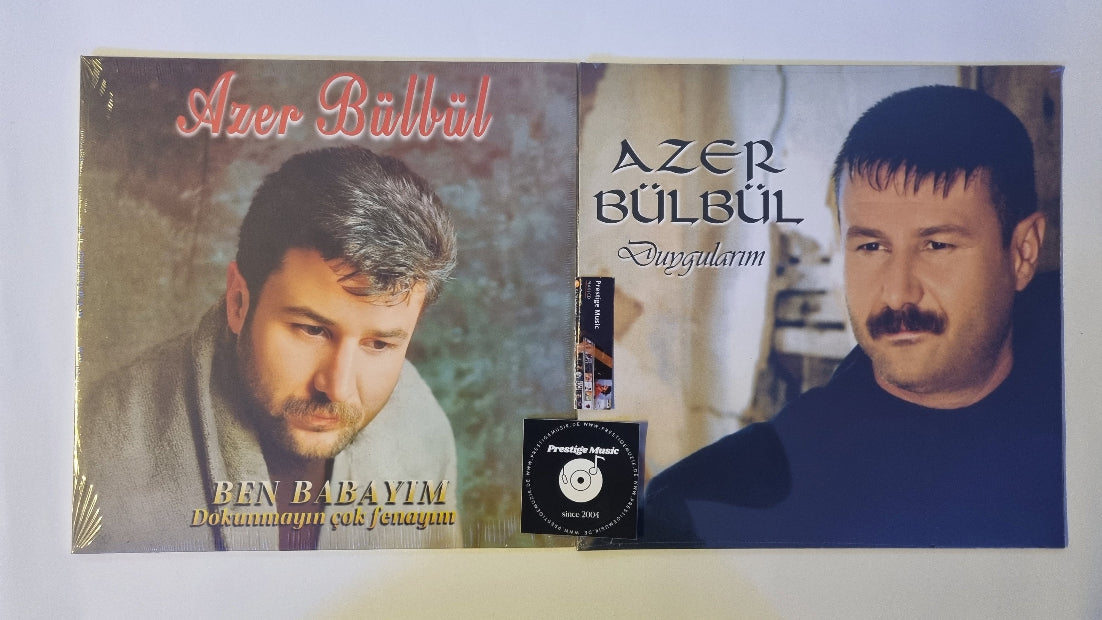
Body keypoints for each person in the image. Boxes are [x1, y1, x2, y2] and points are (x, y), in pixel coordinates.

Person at [641, 85, 1064, 547]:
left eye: (937, 245)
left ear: (1022, 253)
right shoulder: (714, 507)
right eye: (872, 246)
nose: (897, 292)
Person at [75, 146, 462, 552]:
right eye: (312, 330)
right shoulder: (98, 447)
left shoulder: (422, 427)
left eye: (379, 344)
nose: (337, 388)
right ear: (238, 302)